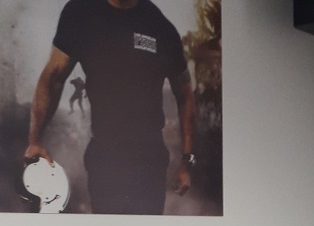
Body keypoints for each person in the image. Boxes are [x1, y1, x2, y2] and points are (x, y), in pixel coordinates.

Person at [25, 0, 196, 215]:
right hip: (105, 157)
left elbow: (185, 93)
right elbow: (53, 78)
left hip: (149, 160)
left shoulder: (160, 27)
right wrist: (35, 140)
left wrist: (187, 161)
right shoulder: (80, 13)